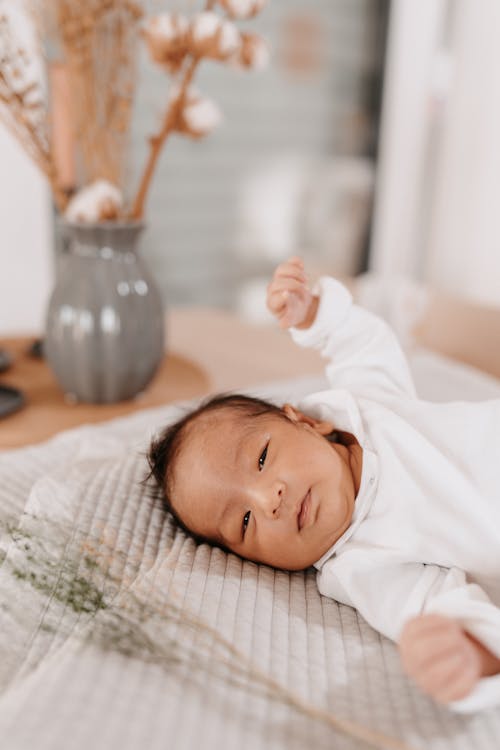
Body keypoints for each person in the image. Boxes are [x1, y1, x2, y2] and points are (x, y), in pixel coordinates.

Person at [147, 257, 500, 713]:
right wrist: (468, 652)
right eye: (245, 522)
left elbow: (364, 346)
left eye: (261, 458)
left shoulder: (368, 406)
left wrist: (313, 314)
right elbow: (430, 605)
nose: (268, 500)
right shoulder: (361, 565)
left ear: (306, 421)